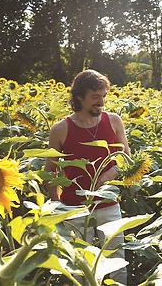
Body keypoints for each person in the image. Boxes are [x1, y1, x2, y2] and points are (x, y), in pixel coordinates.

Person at [43, 69, 129, 285]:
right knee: (80, 265)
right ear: (79, 96)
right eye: (95, 97)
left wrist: (111, 173)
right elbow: (50, 170)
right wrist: (56, 204)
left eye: (103, 96)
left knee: (117, 261)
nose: (101, 102)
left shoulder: (114, 121)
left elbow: (125, 156)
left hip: (109, 203)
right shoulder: (61, 129)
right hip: (74, 208)